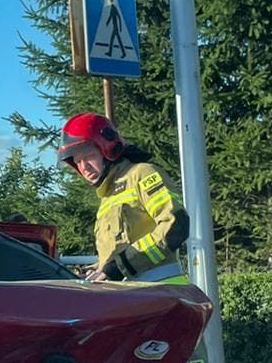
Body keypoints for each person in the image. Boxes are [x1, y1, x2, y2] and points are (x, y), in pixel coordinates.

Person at [58, 112, 187, 282]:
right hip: (133, 297)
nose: (84, 167)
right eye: (78, 161)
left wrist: (120, 267)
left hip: (162, 294)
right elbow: (116, 256)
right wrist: (93, 271)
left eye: (89, 156)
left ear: (108, 149)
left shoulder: (142, 174)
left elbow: (176, 225)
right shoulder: (108, 197)